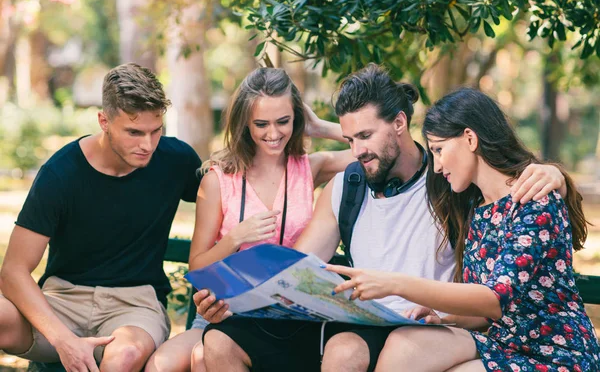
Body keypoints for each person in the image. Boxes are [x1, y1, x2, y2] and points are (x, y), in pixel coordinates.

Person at [196, 64, 568, 372]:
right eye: (349, 139)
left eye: (365, 136)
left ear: (400, 124)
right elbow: (295, 269)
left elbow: (510, 194)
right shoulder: (347, 187)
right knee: (237, 344)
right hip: (363, 322)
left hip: (432, 325)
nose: (356, 151)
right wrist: (233, 299)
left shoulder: (450, 178)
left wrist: (558, 178)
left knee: (355, 351)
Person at [326, 87, 600, 372]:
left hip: (555, 356)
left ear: (470, 138)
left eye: (440, 150)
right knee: (404, 345)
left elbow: (494, 300)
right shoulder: (476, 208)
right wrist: (442, 317)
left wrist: (394, 283)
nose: (437, 166)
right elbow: (485, 318)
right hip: (501, 343)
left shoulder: (533, 201)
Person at [145, 67, 354, 372]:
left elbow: (368, 149)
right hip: (226, 312)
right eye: (261, 124)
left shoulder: (310, 167)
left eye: (283, 121)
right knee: (162, 366)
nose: (273, 134)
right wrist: (235, 238)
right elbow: (197, 267)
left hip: (289, 315)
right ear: (245, 122)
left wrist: (321, 127)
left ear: (296, 117)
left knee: (204, 359)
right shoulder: (218, 180)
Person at [0, 63, 202, 372]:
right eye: (134, 132)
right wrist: (64, 340)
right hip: (62, 302)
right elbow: (13, 271)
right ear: (103, 121)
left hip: (135, 306)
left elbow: (230, 193)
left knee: (124, 358)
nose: (147, 145)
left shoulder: (177, 160)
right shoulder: (61, 173)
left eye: (156, 131)